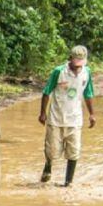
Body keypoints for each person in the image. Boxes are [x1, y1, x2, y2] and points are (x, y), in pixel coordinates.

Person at [38, 45, 96, 186]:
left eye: (80, 63)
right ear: (70, 59)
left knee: (74, 151)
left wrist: (92, 114)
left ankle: (68, 182)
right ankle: (48, 166)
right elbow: (46, 92)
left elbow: (88, 94)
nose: (78, 67)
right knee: (52, 150)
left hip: (75, 119)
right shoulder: (59, 71)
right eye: (76, 63)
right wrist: (42, 113)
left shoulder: (86, 72)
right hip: (56, 118)